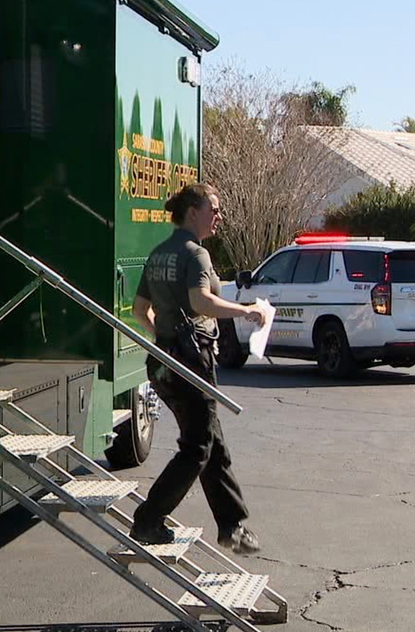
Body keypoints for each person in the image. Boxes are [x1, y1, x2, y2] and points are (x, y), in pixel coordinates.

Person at [129, 182, 265, 554]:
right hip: (192, 363)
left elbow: (139, 310)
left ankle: (232, 526)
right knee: (198, 447)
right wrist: (247, 311)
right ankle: (148, 519)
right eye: (213, 210)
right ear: (193, 213)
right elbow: (201, 302)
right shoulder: (195, 253)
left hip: (164, 362)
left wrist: (166, 339)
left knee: (210, 441)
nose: (218, 216)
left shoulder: (159, 253)